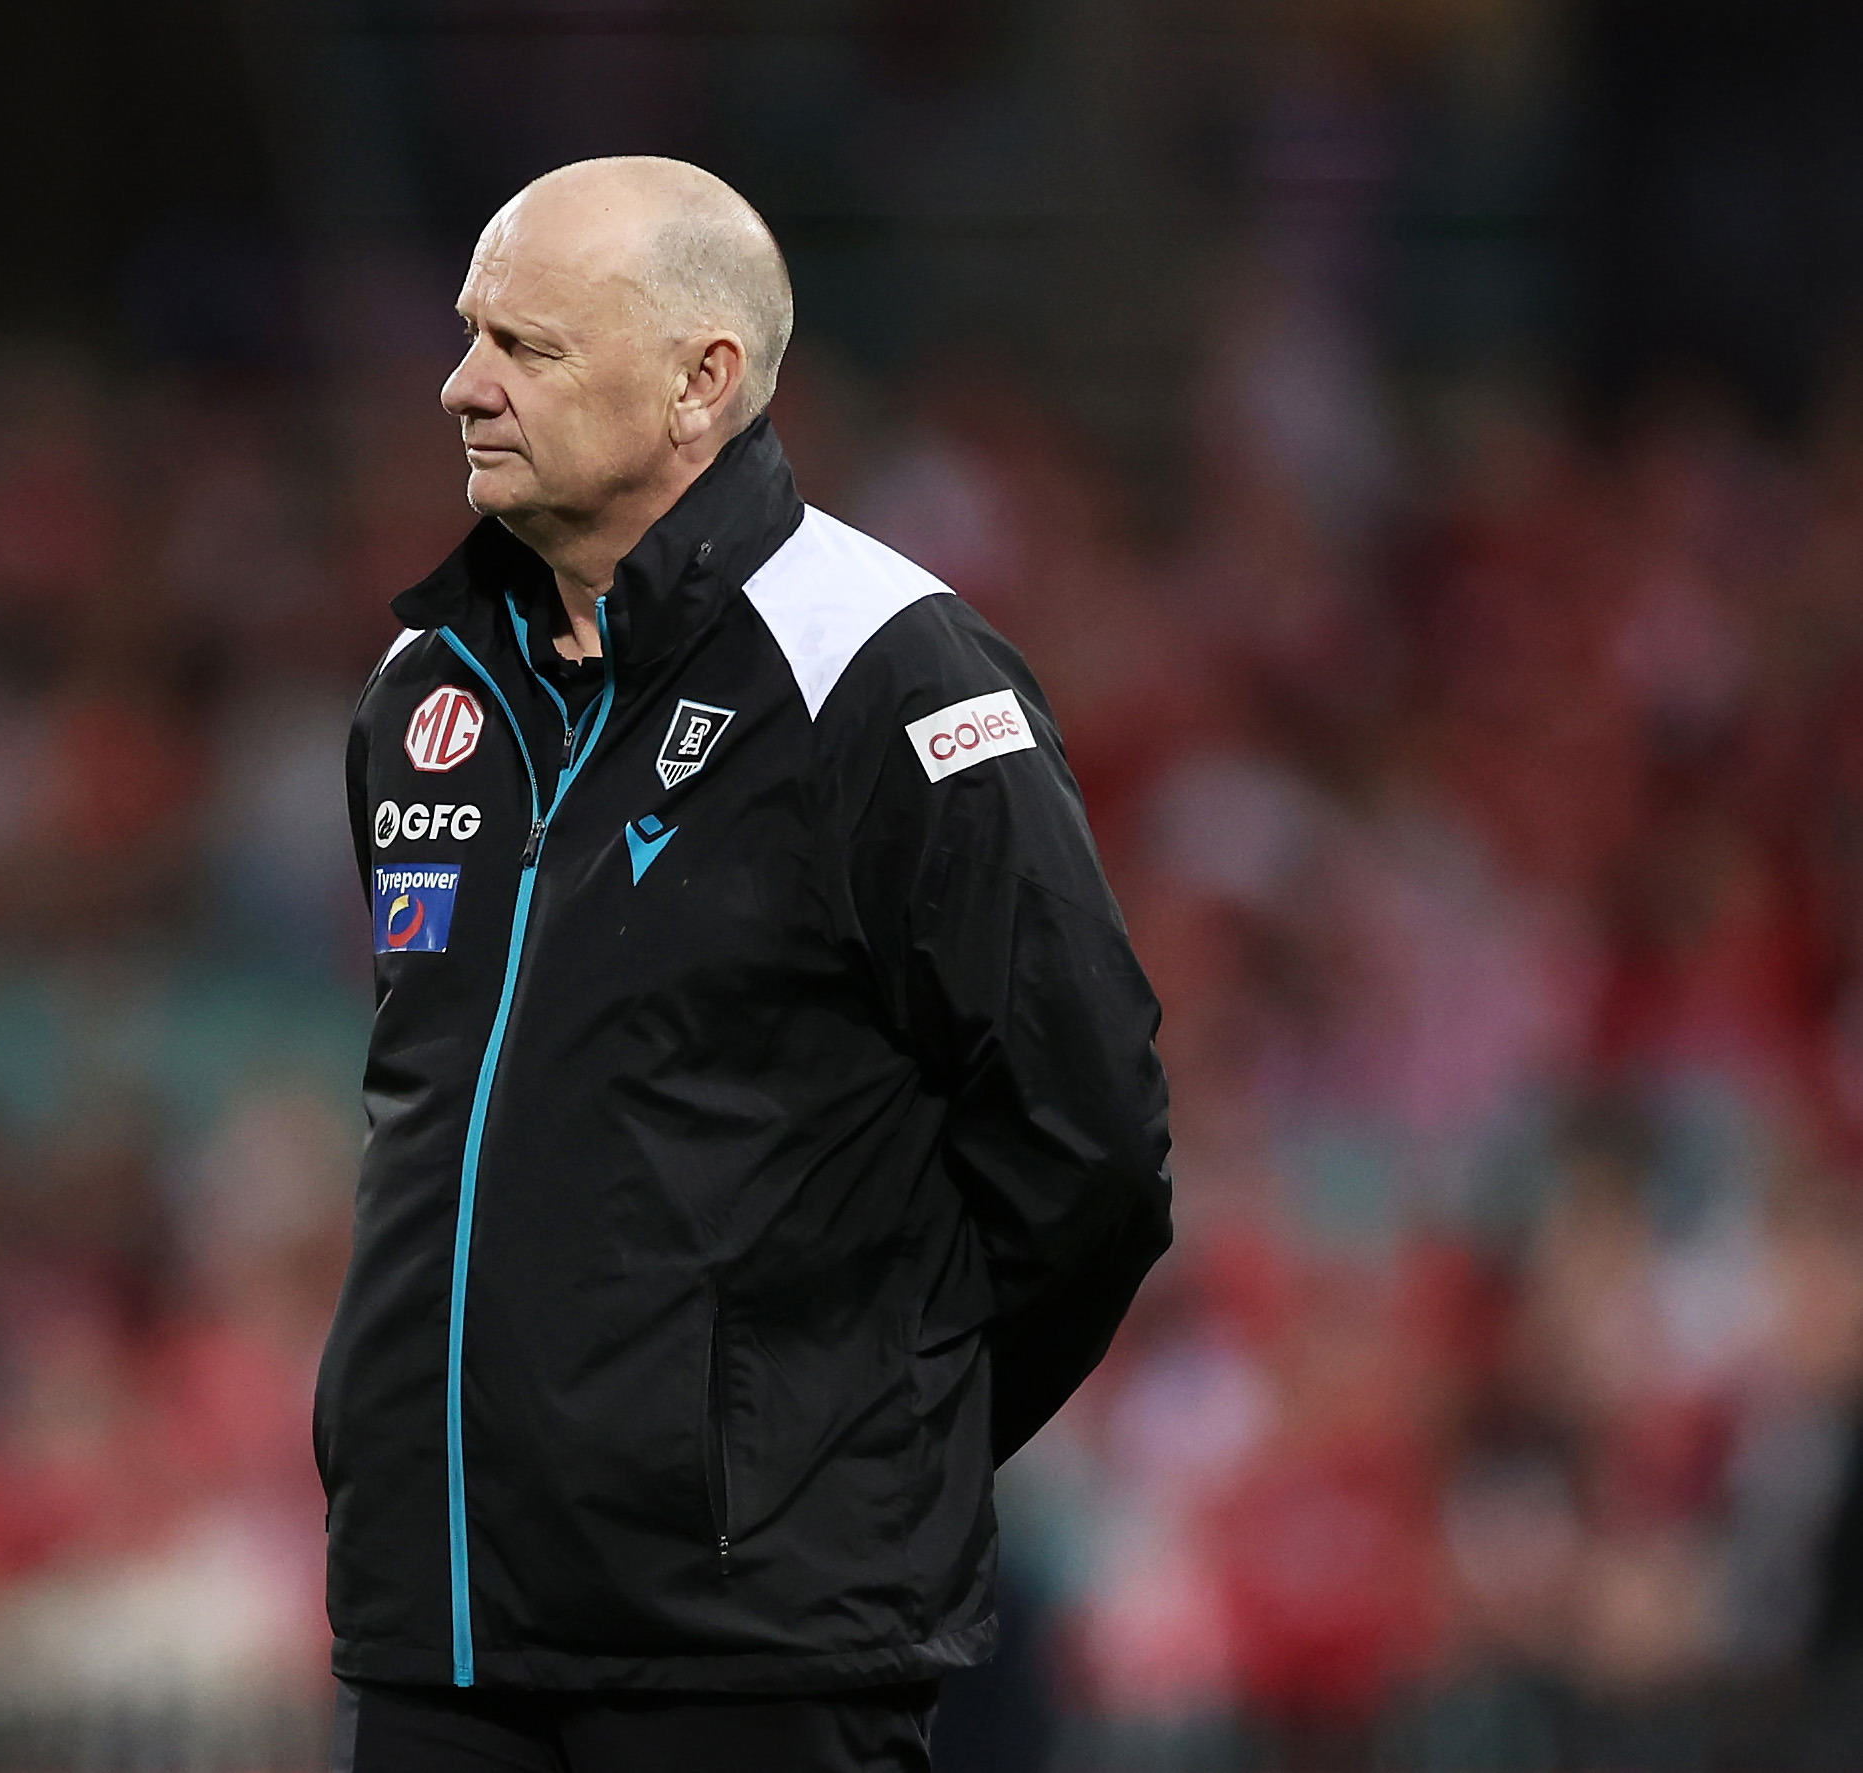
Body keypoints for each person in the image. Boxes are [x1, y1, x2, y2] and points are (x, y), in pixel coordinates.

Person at [319, 156, 1172, 1773]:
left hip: (754, 1652)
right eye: (468, 333)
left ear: (702, 381)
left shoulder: (888, 671)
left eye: (530, 347)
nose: (461, 384)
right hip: (438, 1632)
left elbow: (1096, 1153)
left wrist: (843, 1453)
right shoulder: (419, 690)